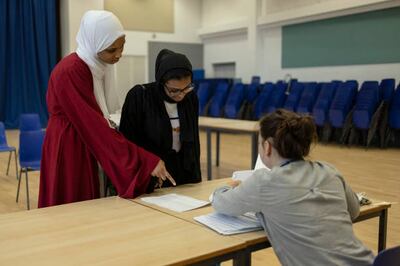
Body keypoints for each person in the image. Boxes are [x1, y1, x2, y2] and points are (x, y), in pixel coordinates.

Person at [39, 10, 175, 208]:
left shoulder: (94, 66)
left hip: (80, 139)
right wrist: (145, 161)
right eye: (112, 50)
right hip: (70, 146)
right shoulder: (72, 70)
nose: (119, 55)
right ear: (94, 44)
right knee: (73, 209)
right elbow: (95, 128)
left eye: (121, 47)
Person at [211, 109, 374, 266]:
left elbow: (221, 203)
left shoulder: (265, 182)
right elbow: (354, 211)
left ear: (267, 147)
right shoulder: (329, 171)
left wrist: (226, 187)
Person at [119, 49, 201, 188]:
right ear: (161, 81)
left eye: (187, 87)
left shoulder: (190, 98)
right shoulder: (140, 96)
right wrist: (147, 165)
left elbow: (193, 142)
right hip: (151, 174)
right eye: (174, 90)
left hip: (183, 174)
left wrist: (196, 178)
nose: (181, 95)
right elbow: (127, 143)